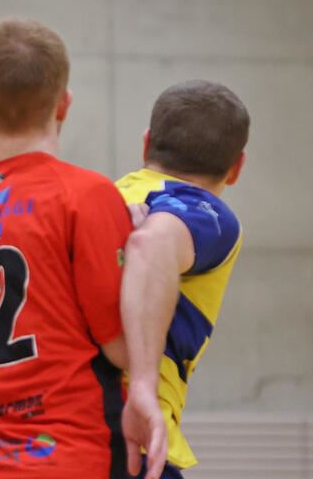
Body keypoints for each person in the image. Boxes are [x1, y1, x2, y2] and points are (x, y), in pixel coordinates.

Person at [0, 18, 165, 478]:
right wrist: (149, 250)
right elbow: (122, 349)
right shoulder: (87, 197)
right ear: (64, 103)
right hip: (70, 459)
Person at [117, 80, 250, 479]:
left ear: (146, 144)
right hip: (129, 436)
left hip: (40, 433)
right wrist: (141, 385)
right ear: (237, 167)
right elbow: (152, 245)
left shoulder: (90, 200)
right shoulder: (202, 214)